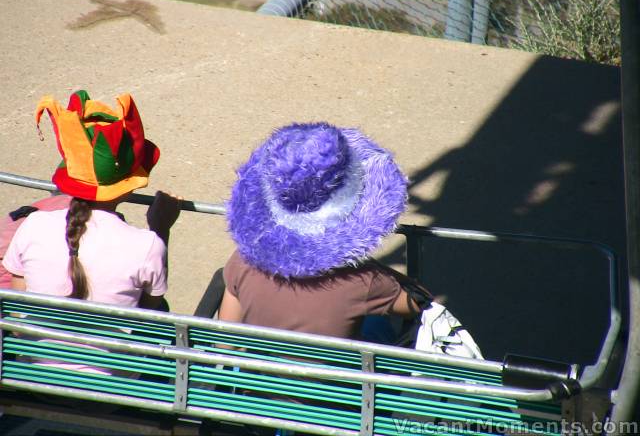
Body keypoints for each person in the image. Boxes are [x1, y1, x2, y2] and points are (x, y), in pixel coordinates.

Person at [218, 122, 420, 340]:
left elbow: (227, 341)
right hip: (337, 374)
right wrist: (371, 268)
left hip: (257, 371)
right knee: (378, 323)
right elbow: (418, 304)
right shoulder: (363, 281)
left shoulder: (242, 263)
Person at [2, 90, 181, 317]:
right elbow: (147, 313)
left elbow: (19, 312)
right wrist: (161, 228)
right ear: (128, 187)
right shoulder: (146, 245)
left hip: (33, 352)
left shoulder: (33, 225)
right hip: (115, 353)